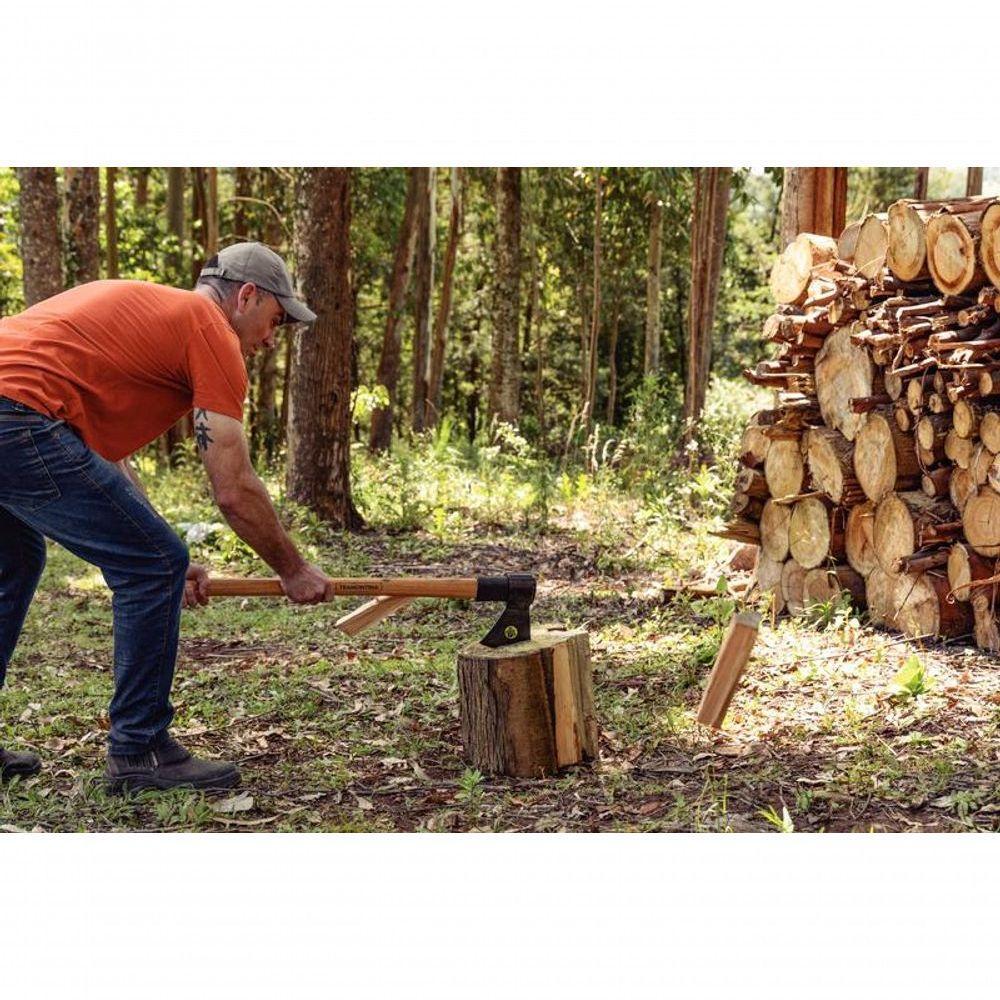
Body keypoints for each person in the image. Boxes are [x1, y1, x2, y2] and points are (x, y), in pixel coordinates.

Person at [0, 242, 330, 792]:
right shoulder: (209, 327)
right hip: (17, 416)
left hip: (13, 412)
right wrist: (293, 568)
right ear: (246, 296)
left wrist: (166, 553)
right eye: (275, 320)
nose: (271, 340)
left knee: (16, 561)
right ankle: (139, 750)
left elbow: (104, 462)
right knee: (152, 563)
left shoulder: (153, 317)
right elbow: (234, 488)